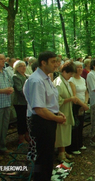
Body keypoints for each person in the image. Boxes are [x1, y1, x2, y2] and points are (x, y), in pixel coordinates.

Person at [23, 51, 66, 180]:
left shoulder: (46, 77)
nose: (56, 64)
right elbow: (39, 109)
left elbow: (48, 102)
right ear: (43, 63)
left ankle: (46, 177)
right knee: (42, 156)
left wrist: (57, 112)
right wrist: (56, 118)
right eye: (53, 62)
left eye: (57, 61)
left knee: (47, 155)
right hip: (41, 121)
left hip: (48, 119)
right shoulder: (36, 80)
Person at [53, 61, 81, 162]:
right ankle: (61, 154)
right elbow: (56, 100)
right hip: (61, 110)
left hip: (67, 109)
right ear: (64, 71)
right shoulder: (59, 83)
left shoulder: (65, 81)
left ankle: (64, 151)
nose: (71, 76)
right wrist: (70, 99)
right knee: (61, 132)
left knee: (66, 131)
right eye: (70, 74)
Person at [66, 61, 89, 155]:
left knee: (81, 124)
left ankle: (80, 143)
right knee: (75, 125)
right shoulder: (71, 80)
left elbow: (86, 92)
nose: (79, 69)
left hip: (83, 104)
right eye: (77, 67)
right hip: (76, 105)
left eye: (81, 67)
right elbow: (74, 95)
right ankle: (73, 146)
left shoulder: (83, 79)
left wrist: (85, 103)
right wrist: (82, 105)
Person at [12, 60, 30, 144]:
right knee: (21, 120)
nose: (23, 67)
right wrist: (29, 95)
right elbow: (19, 90)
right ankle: (21, 138)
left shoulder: (27, 76)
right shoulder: (16, 76)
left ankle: (27, 135)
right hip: (20, 102)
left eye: (24, 65)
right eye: (21, 66)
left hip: (27, 102)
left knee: (27, 119)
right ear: (16, 68)